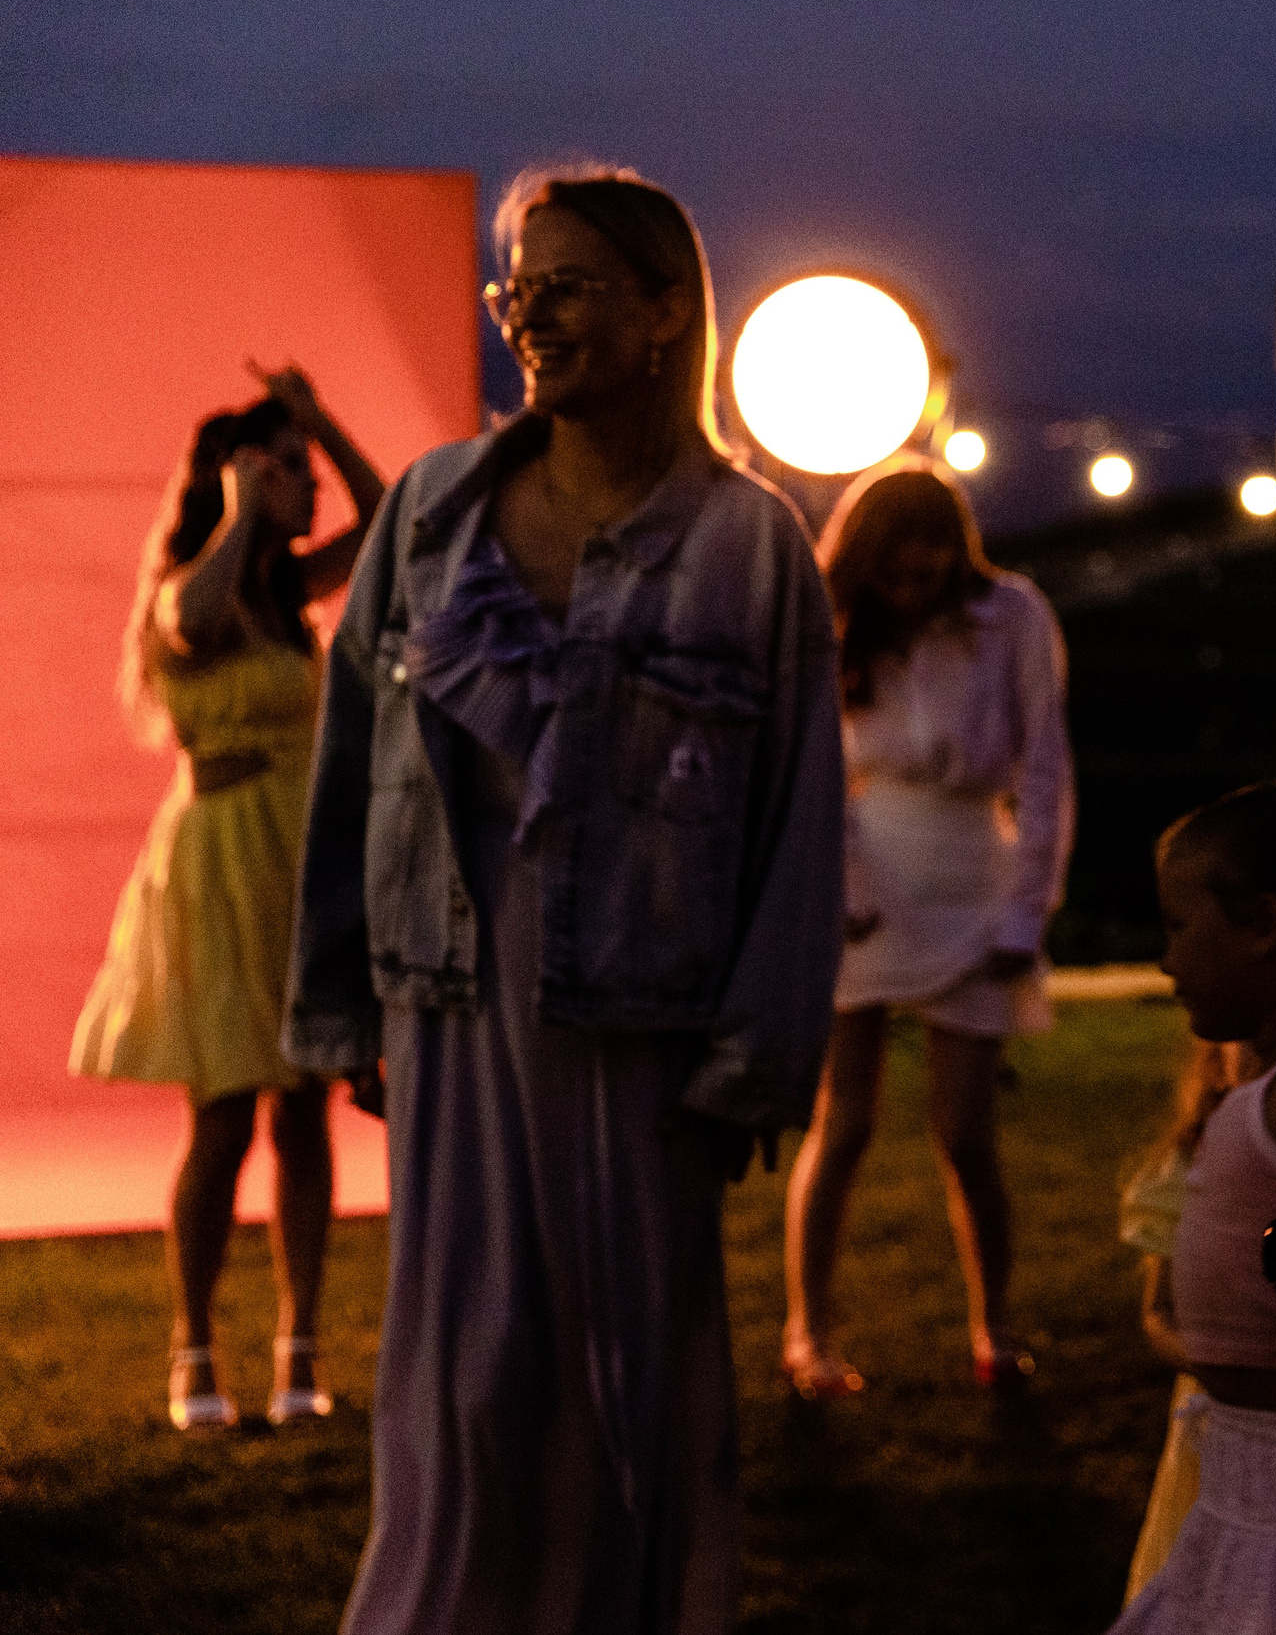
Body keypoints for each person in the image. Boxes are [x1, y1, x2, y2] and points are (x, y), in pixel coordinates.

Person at [283, 164, 844, 1634]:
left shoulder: (748, 546)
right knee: (461, 1380)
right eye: (513, 286)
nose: (528, 313)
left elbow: (799, 827)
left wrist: (749, 1066)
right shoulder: (428, 514)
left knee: (626, 1389)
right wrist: (339, 997)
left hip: (640, 1037)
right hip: (456, 1013)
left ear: (668, 311)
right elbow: (354, 764)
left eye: (568, 283)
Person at [72, 365, 383, 1431]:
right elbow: (193, 623)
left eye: (304, 472)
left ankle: (302, 1347)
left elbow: (386, 520)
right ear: (239, 476)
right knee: (220, 1116)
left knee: (306, 1109)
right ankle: (192, 1350)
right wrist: (241, 512)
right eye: (289, 471)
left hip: (303, 861)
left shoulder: (294, 595)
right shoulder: (188, 586)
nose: (310, 489)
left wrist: (322, 417)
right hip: (217, 866)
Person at [780, 460, 1071, 1396]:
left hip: (973, 875)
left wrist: (1027, 909)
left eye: (927, 571)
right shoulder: (832, 628)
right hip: (865, 875)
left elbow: (1046, 768)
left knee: (968, 1133)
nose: (910, 589)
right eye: (894, 574)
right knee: (846, 1119)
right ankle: (809, 1333)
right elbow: (816, 775)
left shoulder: (1012, 614)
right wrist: (845, 894)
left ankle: (995, 1326)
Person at [1111, 781, 1276, 1635]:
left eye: (1181, 928)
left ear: (1262, 924)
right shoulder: (1266, 1092)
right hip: (1238, 1478)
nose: (1167, 960)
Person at [1117, 1036, 1250, 1606]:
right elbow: (1158, 1311)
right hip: (1218, 1416)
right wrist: (1229, 1368)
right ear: (1214, 1060)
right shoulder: (1192, 1161)